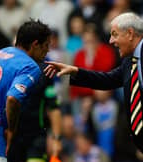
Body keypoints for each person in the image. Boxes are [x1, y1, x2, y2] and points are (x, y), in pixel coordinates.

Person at [44, 12, 143, 153]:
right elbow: (107, 80)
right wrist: (75, 71)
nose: (110, 41)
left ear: (130, 33)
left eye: (114, 34)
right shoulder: (130, 61)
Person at [0, 19, 51, 162]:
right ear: (35, 44)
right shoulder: (30, 66)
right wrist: (11, 130)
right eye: (46, 45)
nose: (48, 51)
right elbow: (12, 99)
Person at [7, 61, 62, 162]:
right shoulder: (7, 68)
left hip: (36, 136)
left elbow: (53, 107)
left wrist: (56, 139)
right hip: (11, 137)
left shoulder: (45, 71)